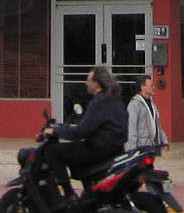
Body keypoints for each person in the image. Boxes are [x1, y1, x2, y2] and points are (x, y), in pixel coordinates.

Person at [44, 64, 126, 195]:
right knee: (74, 151)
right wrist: (64, 128)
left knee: (52, 151)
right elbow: (88, 127)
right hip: (113, 148)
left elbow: (80, 132)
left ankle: (69, 194)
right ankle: (89, 194)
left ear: (97, 83)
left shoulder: (99, 102)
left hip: (99, 149)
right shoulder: (114, 100)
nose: (85, 83)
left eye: (88, 80)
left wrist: (55, 131)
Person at [126, 72, 168, 155]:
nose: (154, 87)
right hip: (142, 148)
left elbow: (157, 124)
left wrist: (164, 141)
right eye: (151, 85)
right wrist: (132, 149)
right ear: (143, 87)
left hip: (153, 146)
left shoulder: (152, 104)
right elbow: (132, 127)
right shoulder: (134, 105)